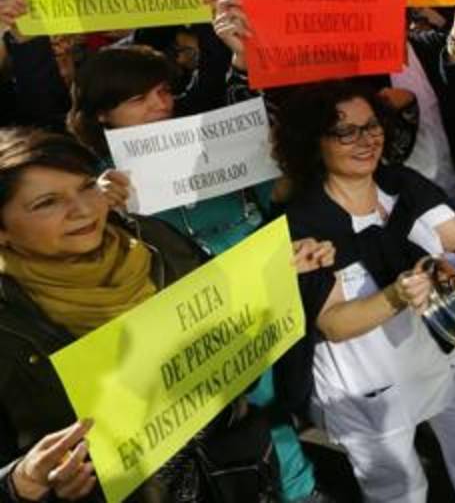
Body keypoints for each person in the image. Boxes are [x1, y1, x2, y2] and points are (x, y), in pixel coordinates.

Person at [0, 129, 333, 501]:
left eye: (86, 187)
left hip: (240, 476)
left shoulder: (155, 240)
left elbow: (234, 336)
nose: (84, 209)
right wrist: (19, 483)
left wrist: (279, 273)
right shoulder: (10, 326)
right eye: (47, 202)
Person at [273, 80, 455, 503]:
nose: (365, 141)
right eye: (345, 132)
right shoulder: (303, 225)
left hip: (452, 355)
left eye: (371, 127)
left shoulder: (401, 182)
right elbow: (333, 324)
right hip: (375, 388)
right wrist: (398, 296)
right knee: (398, 491)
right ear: (314, 144)